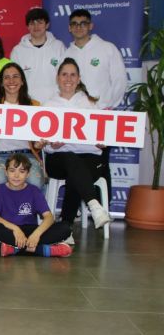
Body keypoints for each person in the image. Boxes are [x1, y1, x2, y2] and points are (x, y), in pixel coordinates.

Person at [37, 58, 111, 229]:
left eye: (72, 75)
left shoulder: (91, 104)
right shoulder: (48, 105)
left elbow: (103, 135)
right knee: (71, 160)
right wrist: (51, 145)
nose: (68, 79)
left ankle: (65, 226)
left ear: (78, 79)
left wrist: (102, 143)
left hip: (89, 158)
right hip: (58, 159)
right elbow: (44, 143)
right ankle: (94, 205)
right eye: (64, 74)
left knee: (76, 172)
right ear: (57, 78)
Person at [0, 154, 72, 257]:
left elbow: (49, 217)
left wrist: (36, 235)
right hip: (9, 230)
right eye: (12, 171)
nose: (16, 176)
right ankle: (43, 250)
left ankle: (14, 249)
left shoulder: (34, 191)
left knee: (65, 228)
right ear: (6, 172)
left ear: (28, 174)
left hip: (31, 230)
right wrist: (16, 229)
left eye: (22, 172)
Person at [0, 62, 44, 189]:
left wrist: (38, 145)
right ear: (1, 82)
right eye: (6, 77)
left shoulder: (35, 105)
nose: (11, 81)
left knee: (35, 181)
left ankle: (28, 209)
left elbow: (36, 144)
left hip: (27, 155)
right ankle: (2, 210)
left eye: (15, 76)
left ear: (22, 81)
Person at [63, 9, 127, 110]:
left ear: (91, 26)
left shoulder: (108, 48)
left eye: (83, 23)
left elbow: (120, 80)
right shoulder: (66, 54)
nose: (78, 27)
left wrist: (110, 106)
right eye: (74, 24)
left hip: (103, 112)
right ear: (69, 28)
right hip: (75, 113)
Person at [10, 8, 65, 104]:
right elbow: (15, 80)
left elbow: (65, 76)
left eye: (40, 22)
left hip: (56, 104)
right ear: (27, 27)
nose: (36, 26)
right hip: (28, 104)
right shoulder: (18, 51)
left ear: (47, 25)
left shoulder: (59, 46)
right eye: (32, 23)